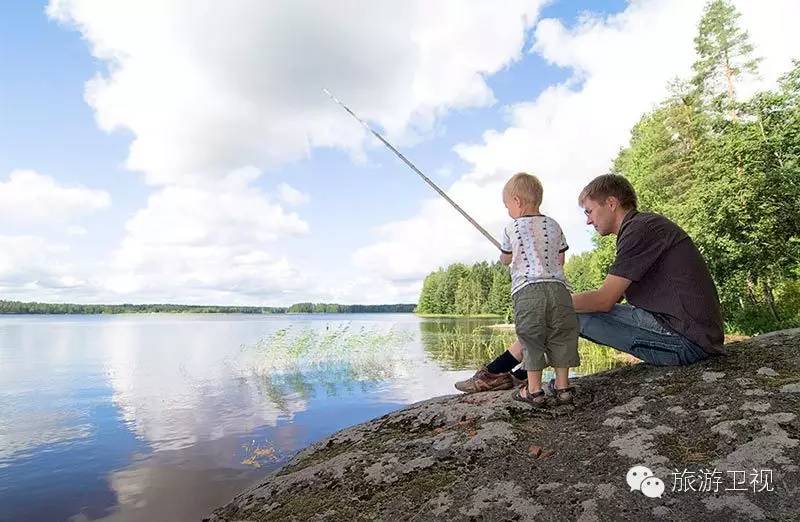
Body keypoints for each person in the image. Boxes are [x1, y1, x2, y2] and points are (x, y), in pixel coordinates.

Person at [456, 174, 725, 393]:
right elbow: (611, 299)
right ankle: (514, 374)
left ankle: (500, 372)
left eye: (590, 211)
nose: (587, 220)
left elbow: (604, 300)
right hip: (688, 335)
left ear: (611, 203)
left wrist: (547, 298)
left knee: (561, 312)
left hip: (685, 340)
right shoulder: (642, 228)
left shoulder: (641, 230)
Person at [454, 173, 580, 406]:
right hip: (559, 290)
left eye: (507, 206)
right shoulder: (554, 225)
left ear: (517, 201)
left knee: (531, 338)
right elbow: (560, 259)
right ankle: (563, 388)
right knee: (562, 336)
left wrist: (507, 257)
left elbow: (505, 259)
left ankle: (534, 391)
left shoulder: (511, 228)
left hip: (528, 291)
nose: (508, 211)